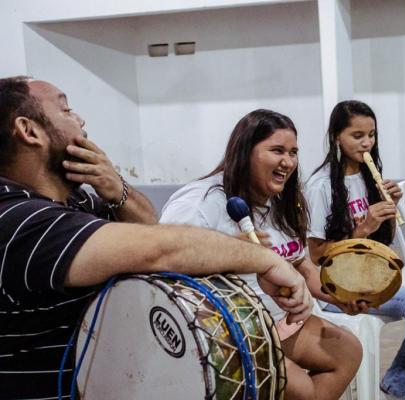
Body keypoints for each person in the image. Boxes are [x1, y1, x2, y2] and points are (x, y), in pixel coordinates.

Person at [0, 76, 312, 400]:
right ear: (29, 130)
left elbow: (150, 226)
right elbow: (159, 248)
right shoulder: (17, 219)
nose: (80, 120)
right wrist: (266, 259)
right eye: (66, 109)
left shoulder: (78, 201)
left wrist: (116, 188)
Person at [160, 109, 362, 400]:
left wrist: (341, 296)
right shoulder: (201, 201)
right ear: (245, 152)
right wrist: (230, 250)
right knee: (303, 391)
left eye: (293, 152)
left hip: (278, 322)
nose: (288, 161)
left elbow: (301, 265)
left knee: (349, 351)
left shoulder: (279, 202)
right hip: (228, 331)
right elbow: (164, 273)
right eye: (277, 150)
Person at [305, 100, 405, 400]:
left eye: (371, 135)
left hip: (370, 273)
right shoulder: (320, 186)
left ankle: (397, 380)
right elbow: (316, 255)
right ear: (337, 136)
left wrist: (391, 208)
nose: (366, 143)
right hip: (338, 284)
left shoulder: (368, 176)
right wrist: (362, 230)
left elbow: (382, 241)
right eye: (357, 135)